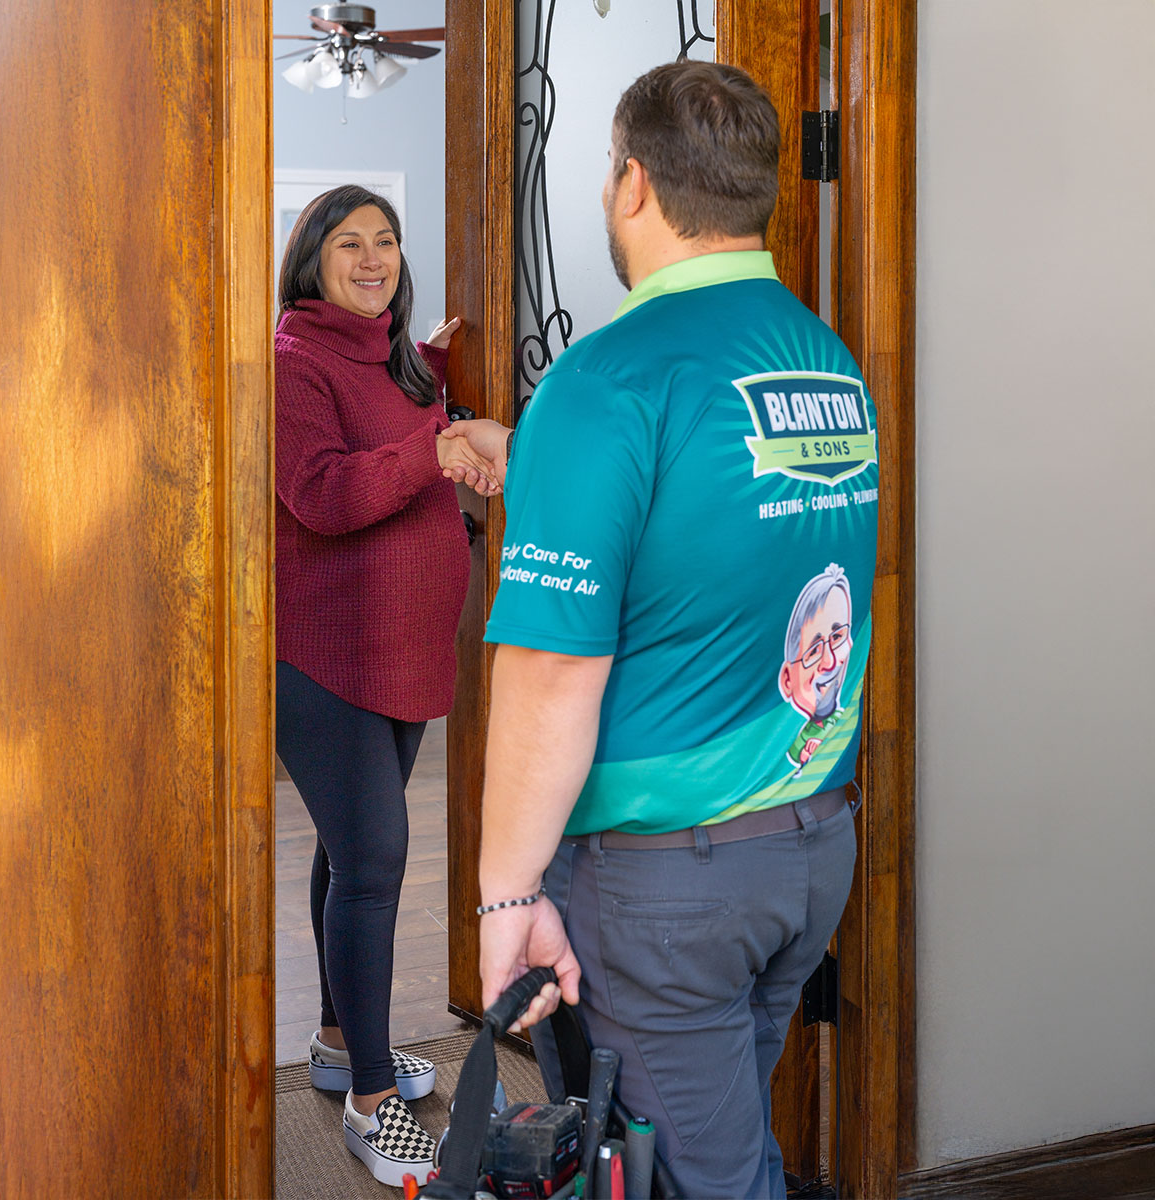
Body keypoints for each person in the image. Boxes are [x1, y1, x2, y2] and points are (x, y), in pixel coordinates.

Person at [476, 62, 880, 1198]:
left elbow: (551, 671)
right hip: (807, 850)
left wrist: (506, 897)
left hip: (666, 892)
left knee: (706, 1179)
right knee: (721, 1149)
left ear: (634, 184)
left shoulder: (607, 380)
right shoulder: (827, 363)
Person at [274, 184, 509, 1189]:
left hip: (401, 649)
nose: (373, 259)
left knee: (348, 851)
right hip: (325, 654)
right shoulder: (294, 359)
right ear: (311, 260)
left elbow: (398, 420)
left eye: (386, 241)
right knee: (375, 859)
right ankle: (371, 1101)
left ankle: (338, 1045)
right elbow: (322, 493)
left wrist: (440, 378)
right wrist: (440, 446)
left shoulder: (395, 357)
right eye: (349, 244)